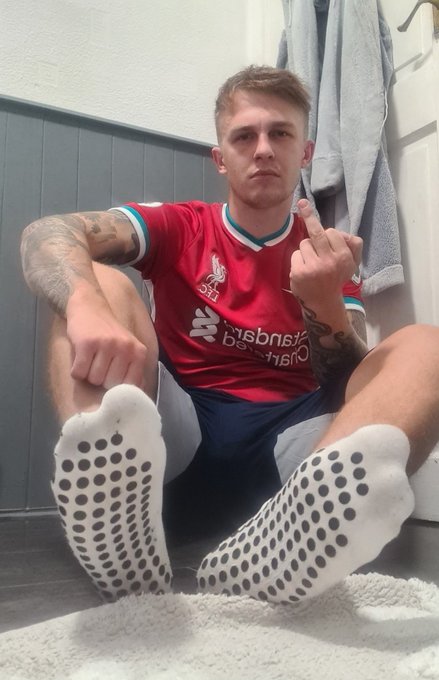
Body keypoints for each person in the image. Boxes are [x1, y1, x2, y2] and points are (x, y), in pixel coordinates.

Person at [21, 65, 439, 605]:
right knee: (93, 280)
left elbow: (352, 382)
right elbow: (49, 232)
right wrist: (86, 305)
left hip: (297, 463)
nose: (263, 149)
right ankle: (112, 514)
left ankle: (292, 542)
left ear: (305, 153)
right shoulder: (182, 225)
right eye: (244, 136)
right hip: (175, 437)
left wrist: (324, 300)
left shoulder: (328, 254)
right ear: (221, 158)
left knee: (426, 347)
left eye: (280, 133)